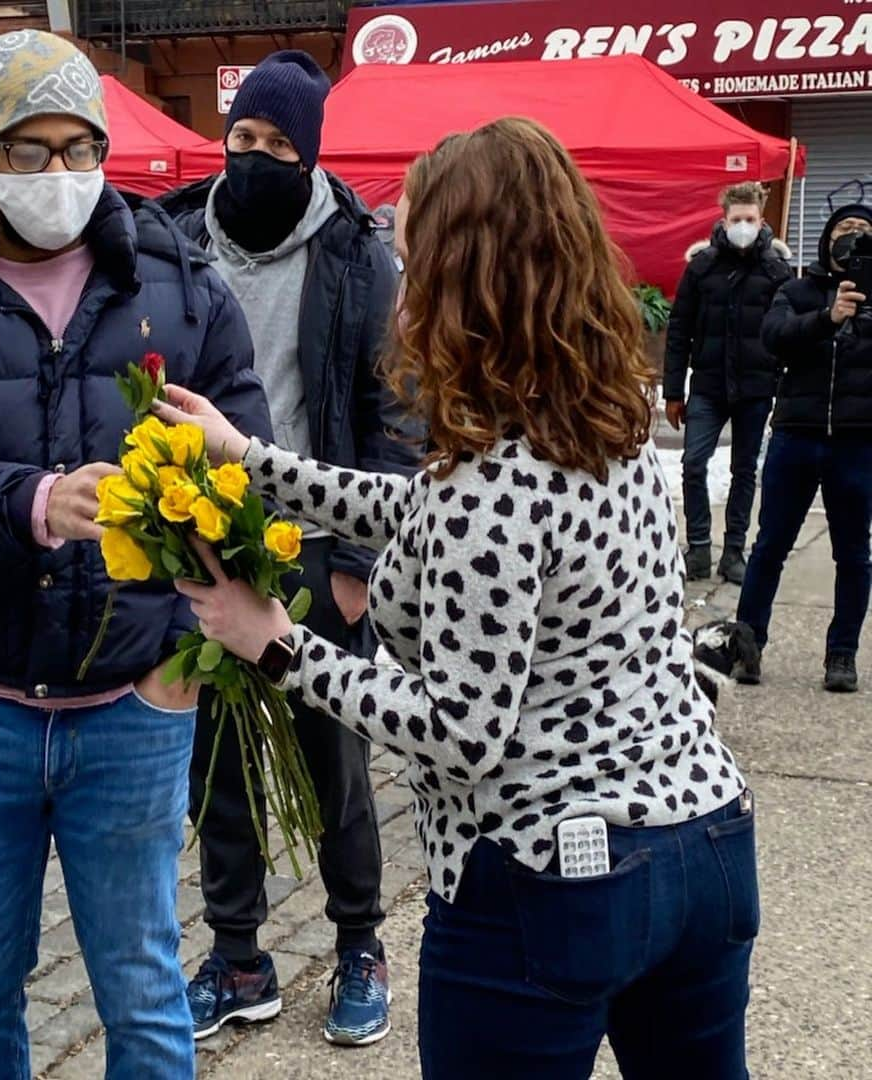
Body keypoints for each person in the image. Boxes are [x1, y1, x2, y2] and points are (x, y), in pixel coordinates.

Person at [153, 118, 758, 1079]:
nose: (400, 294)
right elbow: (436, 513)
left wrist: (275, 643)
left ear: (461, 282)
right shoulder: (603, 425)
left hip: (550, 877)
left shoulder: (492, 479)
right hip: (707, 843)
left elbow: (459, 729)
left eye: (412, 264)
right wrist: (249, 460)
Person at [0, 30, 270, 1079]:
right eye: (31, 151)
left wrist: (188, 653)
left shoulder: (179, 282)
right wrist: (32, 501)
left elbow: (249, 468)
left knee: (145, 990)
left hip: (131, 707)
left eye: (82, 146)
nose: (61, 175)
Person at [161, 50, 415, 1047]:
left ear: (309, 153)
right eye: (244, 137)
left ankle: (359, 940)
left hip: (314, 548)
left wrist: (353, 566)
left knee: (333, 759)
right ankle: (238, 954)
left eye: (278, 143)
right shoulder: (174, 237)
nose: (255, 155)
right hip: (203, 546)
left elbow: (393, 410)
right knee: (215, 764)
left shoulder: (358, 251)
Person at [737, 204, 872, 693]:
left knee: (855, 553)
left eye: (862, 231)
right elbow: (773, 337)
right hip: (797, 434)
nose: (852, 239)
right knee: (770, 544)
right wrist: (828, 317)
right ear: (826, 238)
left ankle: (842, 654)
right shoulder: (794, 290)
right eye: (844, 229)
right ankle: (747, 645)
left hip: (857, 442)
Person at [664, 181, 793, 585]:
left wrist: (783, 387)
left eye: (750, 220)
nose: (743, 226)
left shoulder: (776, 269)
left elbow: (789, 333)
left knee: (744, 472)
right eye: (736, 219)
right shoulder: (701, 268)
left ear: (761, 220)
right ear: (724, 220)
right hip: (707, 385)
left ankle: (734, 550)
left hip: (756, 389)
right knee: (693, 464)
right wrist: (672, 390)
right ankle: (698, 547)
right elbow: (679, 328)